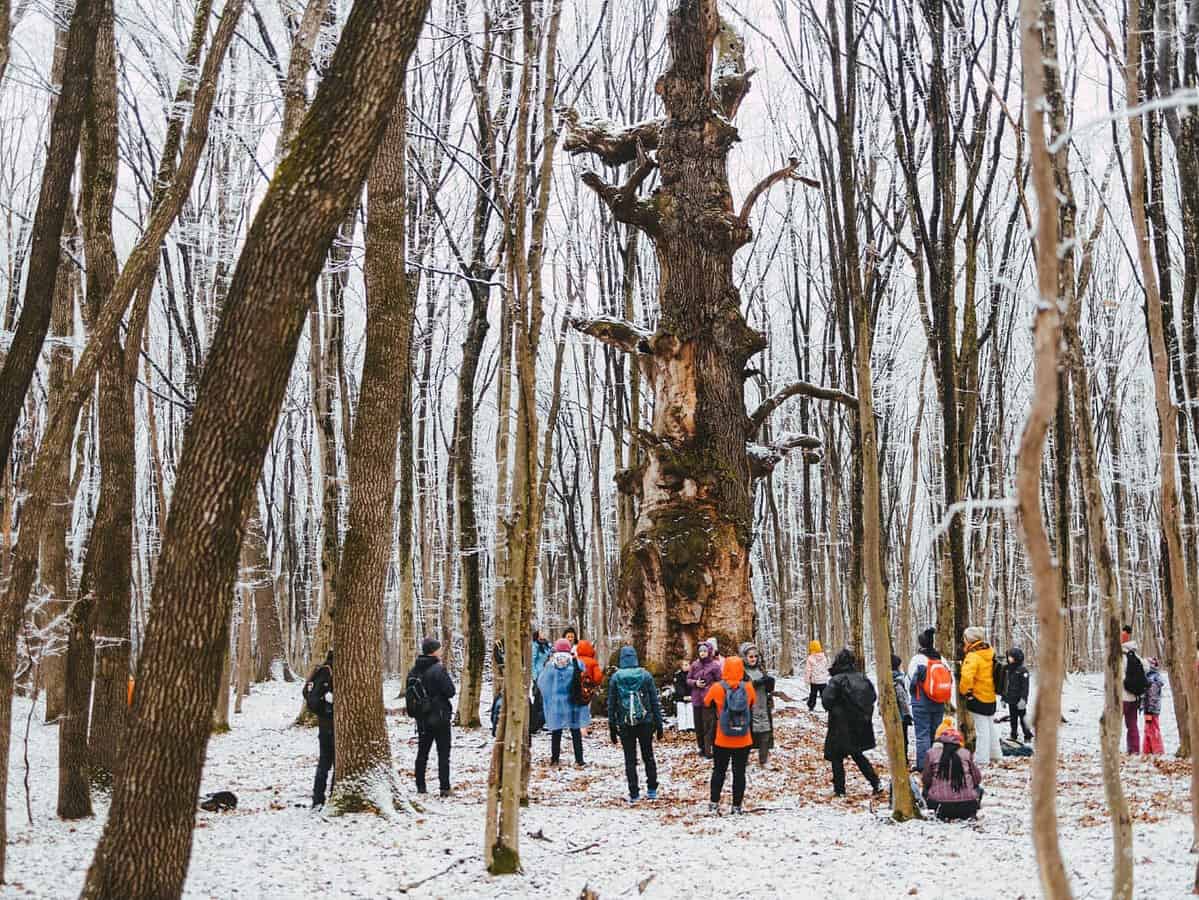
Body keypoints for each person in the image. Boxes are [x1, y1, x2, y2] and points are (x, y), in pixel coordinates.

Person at [822, 648, 882, 797]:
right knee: (857, 754)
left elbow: (826, 701)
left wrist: (838, 708)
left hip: (840, 724)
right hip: (859, 724)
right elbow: (872, 697)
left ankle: (840, 790)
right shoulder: (862, 677)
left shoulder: (836, 680)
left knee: (836, 756)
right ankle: (875, 782)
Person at [608, 645, 664, 802]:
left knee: (630, 759)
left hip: (625, 723)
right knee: (648, 756)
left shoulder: (616, 677)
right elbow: (654, 701)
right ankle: (652, 788)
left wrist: (612, 727)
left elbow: (611, 704)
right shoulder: (645, 675)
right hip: (646, 722)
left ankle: (634, 792)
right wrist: (659, 725)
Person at [704, 654, 757, 814]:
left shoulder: (717, 687)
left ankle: (714, 803)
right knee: (739, 772)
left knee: (719, 771)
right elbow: (752, 703)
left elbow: (706, 702)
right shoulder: (748, 687)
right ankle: (737, 806)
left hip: (722, 738)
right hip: (743, 738)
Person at [407, 638, 455, 797]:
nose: (441, 651)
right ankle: (444, 787)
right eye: (439, 649)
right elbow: (450, 691)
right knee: (443, 753)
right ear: (433, 651)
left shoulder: (414, 670)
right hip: (440, 716)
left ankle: (420, 786)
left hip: (422, 718)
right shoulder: (438, 669)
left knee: (422, 753)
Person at [537, 638, 590, 766]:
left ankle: (555, 758)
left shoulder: (551, 665)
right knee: (575, 731)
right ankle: (579, 759)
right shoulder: (576, 663)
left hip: (556, 703)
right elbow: (585, 677)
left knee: (556, 731)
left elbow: (541, 683)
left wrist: (549, 697)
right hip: (573, 702)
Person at [907, 627, 954, 771]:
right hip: (939, 700)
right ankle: (937, 763)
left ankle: (924, 765)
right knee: (936, 733)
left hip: (921, 701)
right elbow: (949, 679)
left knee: (922, 734)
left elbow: (909, 681)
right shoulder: (941, 659)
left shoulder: (917, 660)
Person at [921, 722, 983, 820]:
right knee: (980, 788)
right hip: (967, 807)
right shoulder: (966, 753)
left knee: (925, 789)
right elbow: (977, 779)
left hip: (940, 807)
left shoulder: (932, 754)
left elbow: (926, 779)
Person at [960, 626, 1002, 769]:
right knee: (990, 727)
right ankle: (996, 754)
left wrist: (966, 692)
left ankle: (981, 759)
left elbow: (966, 678)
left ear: (969, 640)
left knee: (981, 730)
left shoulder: (972, 656)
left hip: (978, 697)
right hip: (990, 696)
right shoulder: (989, 652)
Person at [304, 650, 334, 808]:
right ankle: (323, 797)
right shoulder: (327, 673)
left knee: (325, 762)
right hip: (330, 724)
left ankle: (319, 798)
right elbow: (317, 699)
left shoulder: (322, 670)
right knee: (331, 762)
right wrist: (329, 710)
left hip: (325, 724)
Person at [741, 642, 775, 766]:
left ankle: (763, 760)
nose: (753, 659)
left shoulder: (761, 669)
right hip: (748, 707)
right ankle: (744, 760)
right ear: (745, 657)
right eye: (751, 657)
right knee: (748, 733)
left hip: (763, 704)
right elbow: (739, 687)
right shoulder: (741, 671)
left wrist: (769, 683)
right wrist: (754, 684)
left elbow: (768, 689)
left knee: (765, 732)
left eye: (755, 656)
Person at [687, 639, 722, 757]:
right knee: (699, 725)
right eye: (700, 651)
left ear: (709, 651)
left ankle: (710, 748)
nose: (702, 653)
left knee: (709, 725)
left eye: (704, 651)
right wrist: (695, 683)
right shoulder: (694, 665)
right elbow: (688, 679)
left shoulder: (715, 666)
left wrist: (709, 687)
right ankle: (701, 747)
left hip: (709, 700)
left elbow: (719, 681)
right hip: (697, 699)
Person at [1121, 626, 1147, 754]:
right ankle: (1134, 750)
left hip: (1122, 697)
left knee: (1114, 725)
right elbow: (1146, 668)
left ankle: (1112, 750)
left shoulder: (1120, 657)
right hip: (1134, 697)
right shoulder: (1135, 656)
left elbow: (1118, 675)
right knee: (1132, 725)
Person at [1003, 647, 1033, 742]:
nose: (1009, 658)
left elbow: (1025, 687)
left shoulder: (1022, 670)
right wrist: (1003, 698)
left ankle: (1027, 735)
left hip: (1020, 700)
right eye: (1008, 656)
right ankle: (1013, 734)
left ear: (1017, 657)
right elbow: (1005, 685)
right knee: (1013, 719)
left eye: (1011, 657)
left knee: (1023, 719)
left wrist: (1023, 699)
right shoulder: (1008, 669)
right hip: (1011, 699)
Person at [891, 654, 913, 765]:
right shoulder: (898, 681)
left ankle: (897, 758)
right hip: (901, 716)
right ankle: (903, 759)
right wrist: (907, 715)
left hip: (891, 716)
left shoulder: (887, 679)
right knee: (903, 738)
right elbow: (903, 699)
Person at [1143, 657, 1165, 755]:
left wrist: (1149, 709)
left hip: (1151, 709)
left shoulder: (1152, 679)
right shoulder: (1150, 677)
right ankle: (1147, 750)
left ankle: (1158, 750)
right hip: (1149, 709)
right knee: (1148, 728)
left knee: (1153, 728)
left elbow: (1152, 696)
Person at [804, 639, 830, 711]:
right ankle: (827, 707)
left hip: (814, 681)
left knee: (813, 694)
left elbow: (808, 670)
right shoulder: (824, 657)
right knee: (824, 695)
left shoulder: (810, 658)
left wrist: (807, 681)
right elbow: (826, 668)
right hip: (823, 681)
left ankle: (811, 706)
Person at [672, 663, 694, 732]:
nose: (685, 666)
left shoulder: (693, 675)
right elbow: (678, 687)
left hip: (690, 696)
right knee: (681, 712)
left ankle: (690, 727)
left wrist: (691, 696)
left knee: (690, 711)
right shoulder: (678, 675)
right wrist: (683, 696)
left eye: (687, 665)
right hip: (680, 697)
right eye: (684, 665)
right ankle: (682, 727)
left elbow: (693, 686)